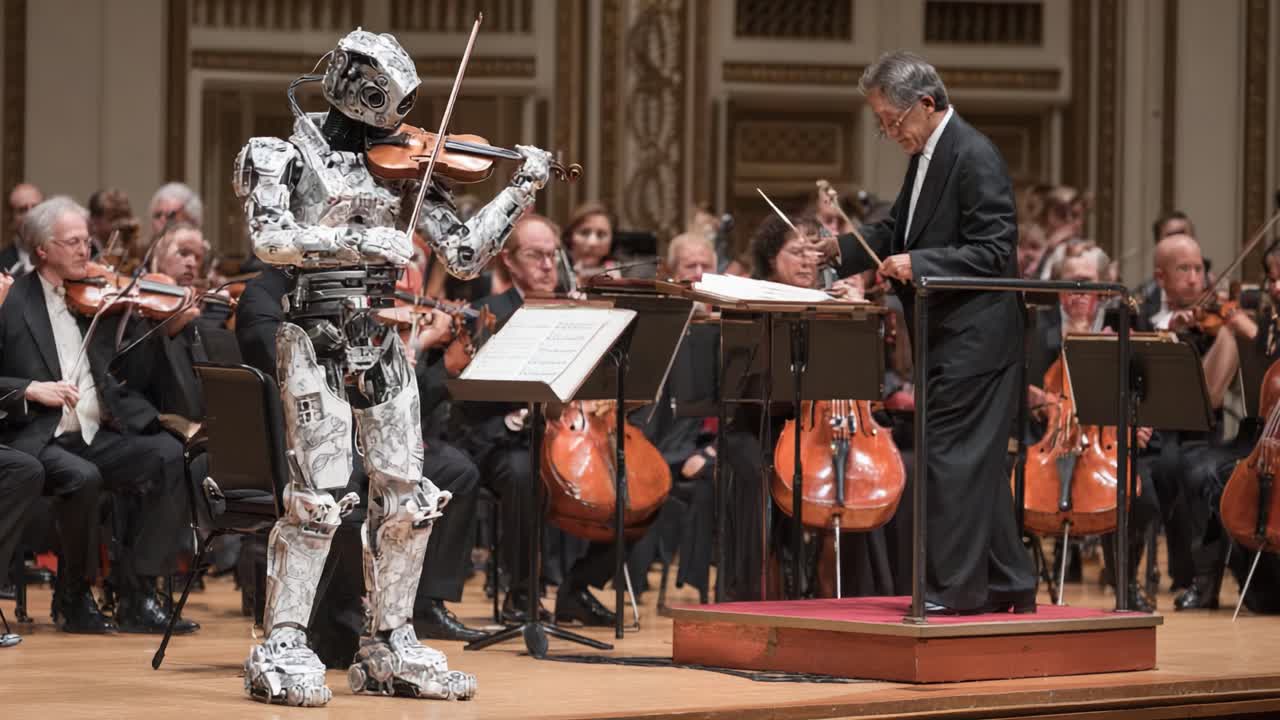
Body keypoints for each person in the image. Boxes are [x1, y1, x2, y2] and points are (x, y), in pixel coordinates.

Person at [232, 28, 553, 707]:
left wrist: (521, 187)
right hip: (312, 328)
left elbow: (464, 253)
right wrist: (351, 237)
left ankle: (390, 642)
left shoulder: (400, 165)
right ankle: (284, 642)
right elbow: (269, 236)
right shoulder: (276, 153)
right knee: (319, 494)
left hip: (377, 335)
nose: (397, 113)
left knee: (407, 493)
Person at [826, 50, 1036, 614]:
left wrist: (920, 264)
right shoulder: (927, 154)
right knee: (974, 466)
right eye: (882, 123)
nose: (887, 131)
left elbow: (995, 253)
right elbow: (900, 227)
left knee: (950, 462)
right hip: (946, 336)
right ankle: (1011, 581)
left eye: (891, 121)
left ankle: (954, 593)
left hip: (978, 341)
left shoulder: (974, 155)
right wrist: (840, 250)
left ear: (926, 103)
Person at [0, 197, 195, 635]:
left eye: (87, 240)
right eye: (72, 242)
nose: (85, 249)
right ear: (42, 249)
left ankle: (137, 593)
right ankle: (72, 596)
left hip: (96, 429)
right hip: (39, 435)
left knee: (168, 454)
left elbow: (134, 376)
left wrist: (158, 326)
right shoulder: (11, 300)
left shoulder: (96, 297)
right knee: (82, 477)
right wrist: (30, 388)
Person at [455, 215, 620, 626]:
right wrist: (515, 418)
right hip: (507, 442)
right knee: (524, 475)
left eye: (552, 255)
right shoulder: (488, 315)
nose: (548, 265)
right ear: (510, 262)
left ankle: (578, 587)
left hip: (573, 437)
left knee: (637, 486)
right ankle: (522, 593)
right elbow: (468, 409)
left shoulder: (580, 313)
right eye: (535, 255)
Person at [1, 183, 44, 275]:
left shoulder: (63, 257)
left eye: (36, 207)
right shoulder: (2, 263)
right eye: (23, 210)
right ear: (11, 219)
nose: (31, 215)